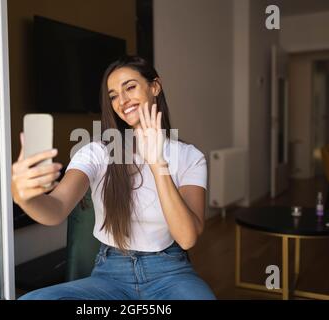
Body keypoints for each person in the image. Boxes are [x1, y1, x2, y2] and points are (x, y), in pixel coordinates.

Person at [13, 55, 216, 300]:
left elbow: (186, 238)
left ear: (155, 86)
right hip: (110, 275)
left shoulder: (189, 157)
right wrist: (25, 197)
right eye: (113, 95)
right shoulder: (96, 152)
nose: (122, 100)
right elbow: (56, 209)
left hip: (171, 272)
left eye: (130, 87)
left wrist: (157, 164)